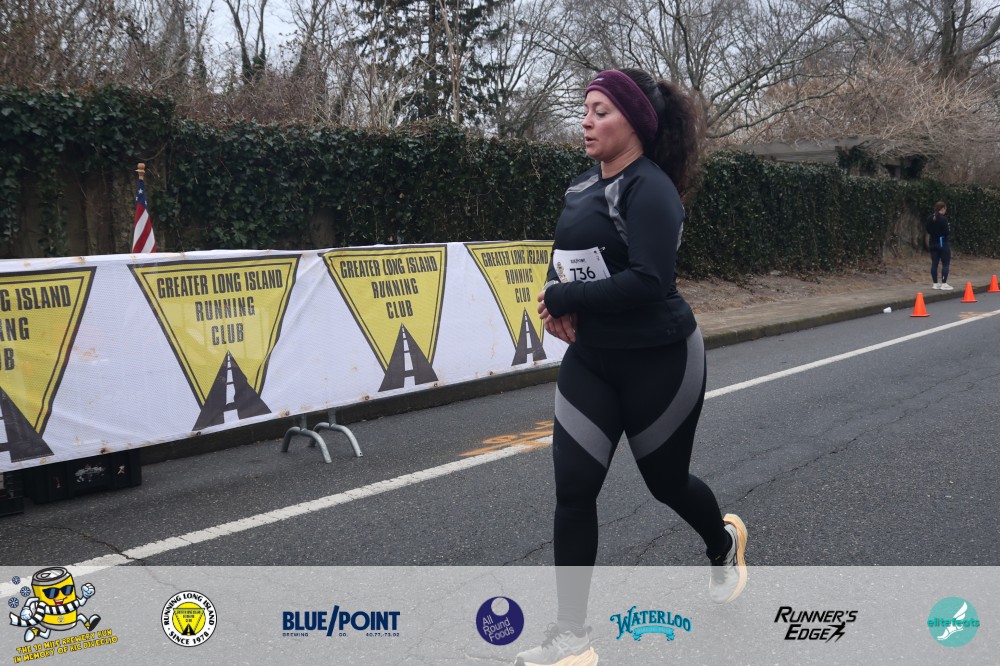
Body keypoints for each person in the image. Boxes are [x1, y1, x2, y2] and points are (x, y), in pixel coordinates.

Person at [514, 68, 748, 666]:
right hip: (593, 362)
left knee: (666, 484)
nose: (586, 122)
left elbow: (649, 280)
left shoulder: (651, 189)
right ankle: (571, 637)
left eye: (601, 112)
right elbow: (565, 262)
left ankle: (721, 541)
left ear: (636, 123)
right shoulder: (579, 187)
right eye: (585, 110)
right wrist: (554, 303)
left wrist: (568, 297)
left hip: (660, 360)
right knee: (574, 491)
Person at [927, 201, 953, 290]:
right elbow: (946, 232)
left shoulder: (929, 218)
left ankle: (935, 284)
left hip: (932, 243)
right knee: (945, 264)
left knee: (934, 263)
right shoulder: (943, 219)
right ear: (943, 209)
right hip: (942, 243)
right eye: (945, 209)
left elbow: (928, 230)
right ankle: (944, 284)